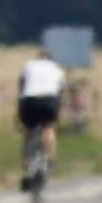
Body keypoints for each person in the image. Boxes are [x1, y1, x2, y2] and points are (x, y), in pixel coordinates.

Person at [17, 45, 65, 189]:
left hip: (29, 100)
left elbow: (21, 86)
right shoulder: (56, 68)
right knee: (48, 128)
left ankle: (27, 168)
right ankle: (49, 161)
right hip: (49, 101)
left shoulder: (28, 65)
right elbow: (60, 90)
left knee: (28, 132)